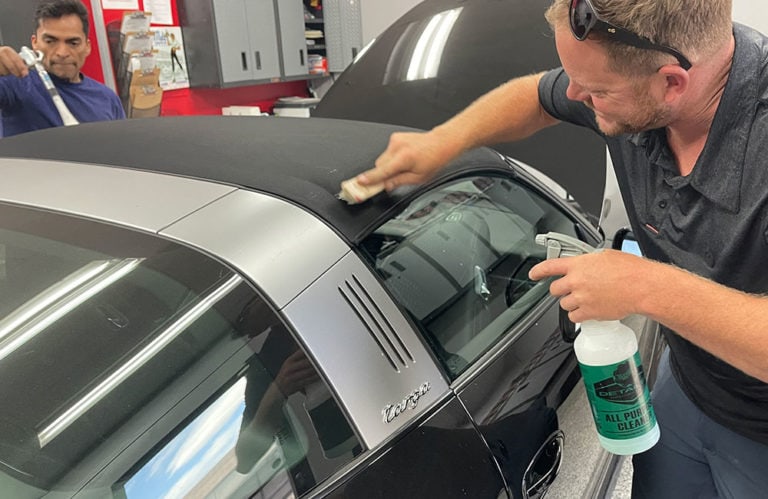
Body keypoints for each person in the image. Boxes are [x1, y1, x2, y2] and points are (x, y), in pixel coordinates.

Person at [355, 0, 768, 497]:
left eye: (596, 92)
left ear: (671, 83)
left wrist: (644, 284)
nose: (575, 96)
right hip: (686, 387)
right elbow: (536, 96)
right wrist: (442, 143)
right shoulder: (632, 74)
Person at [0, 0, 124, 137]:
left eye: (73, 43)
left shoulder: (108, 99)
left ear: (87, 46)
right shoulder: (14, 84)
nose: (62, 53)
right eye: (50, 41)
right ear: (35, 43)